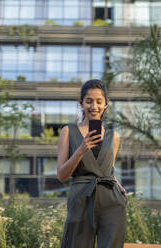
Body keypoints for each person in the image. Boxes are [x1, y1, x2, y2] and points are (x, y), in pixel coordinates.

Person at [57, 79, 127, 248]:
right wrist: (81, 149)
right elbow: (61, 175)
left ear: (106, 104)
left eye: (99, 101)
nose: (94, 106)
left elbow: (108, 169)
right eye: (88, 101)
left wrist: (118, 186)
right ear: (81, 103)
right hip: (81, 197)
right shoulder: (68, 132)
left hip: (111, 201)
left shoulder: (114, 136)